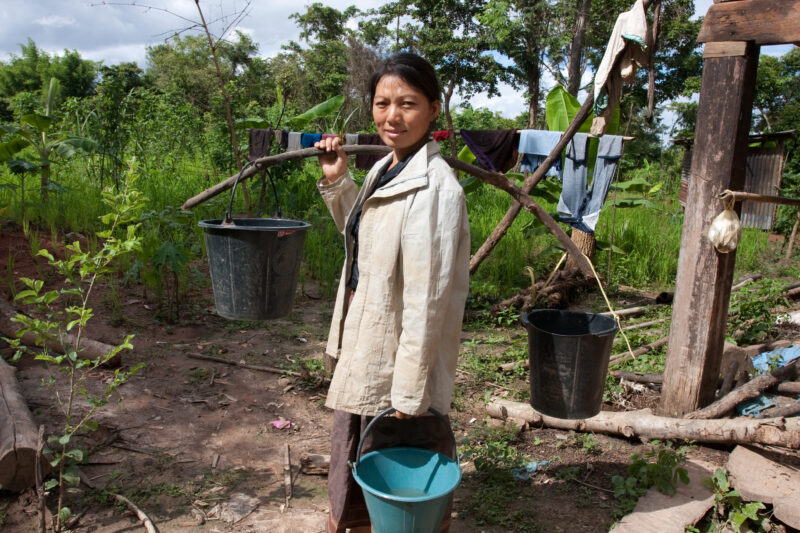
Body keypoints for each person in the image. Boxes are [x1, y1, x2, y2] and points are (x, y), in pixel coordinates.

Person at [314, 52, 470, 533]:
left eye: (407, 103)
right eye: (382, 104)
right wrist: (339, 180)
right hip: (371, 331)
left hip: (400, 350)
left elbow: (427, 301)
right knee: (358, 445)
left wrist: (409, 388)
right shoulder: (388, 166)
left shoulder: (436, 190)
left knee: (401, 448)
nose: (392, 117)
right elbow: (367, 243)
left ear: (434, 109)